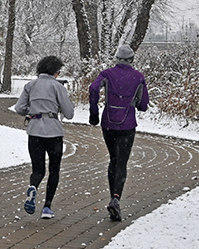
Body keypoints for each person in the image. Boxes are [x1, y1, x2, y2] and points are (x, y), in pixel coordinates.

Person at [88, 44, 149, 221]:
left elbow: (93, 88)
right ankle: (116, 198)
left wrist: (94, 113)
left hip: (108, 122)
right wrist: (135, 103)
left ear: (117, 58)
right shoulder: (138, 77)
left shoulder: (107, 74)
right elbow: (143, 105)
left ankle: (112, 197)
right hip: (128, 124)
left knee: (113, 159)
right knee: (122, 162)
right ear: (131, 59)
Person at [14, 55, 75, 219]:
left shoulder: (30, 85)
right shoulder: (58, 87)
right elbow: (69, 113)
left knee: (38, 169)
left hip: (34, 131)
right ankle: (47, 207)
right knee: (54, 169)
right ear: (55, 71)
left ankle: (33, 187)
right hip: (54, 133)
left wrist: (33, 112)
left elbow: (19, 108)